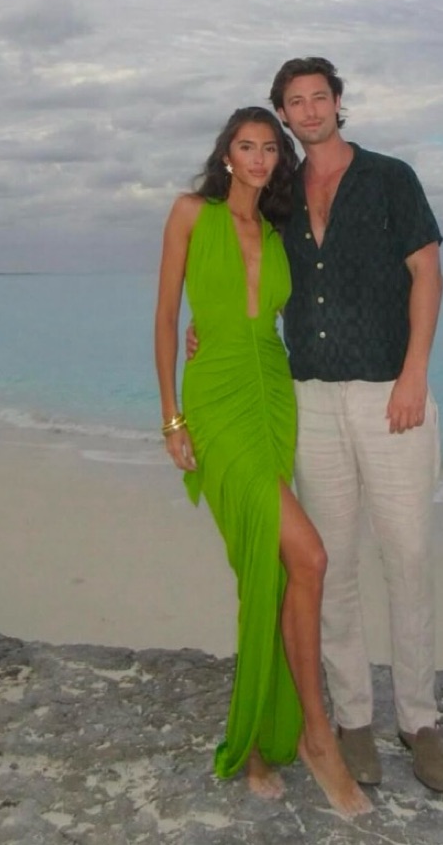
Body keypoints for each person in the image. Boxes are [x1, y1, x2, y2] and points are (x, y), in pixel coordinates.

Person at [154, 106, 372, 818]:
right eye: (246, 146)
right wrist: (172, 416)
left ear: (279, 160)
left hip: (274, 396)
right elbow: (166, 318)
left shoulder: (278, 232)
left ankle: (259, 739)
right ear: (226, 154)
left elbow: (303, 308)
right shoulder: (191, 214)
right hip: (216, 403)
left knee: (270, 566)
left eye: (269, 149)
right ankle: (315, 735)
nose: (257, 158)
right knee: (308, 555)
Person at [268, 57, 443, 793]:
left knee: (408, 556)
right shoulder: (280, 195)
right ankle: (353, 717)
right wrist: (205, 332)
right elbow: (253, 278)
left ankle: (419, 719)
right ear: (284, 114)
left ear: (339, 103)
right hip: (310, 399)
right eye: (296, 101)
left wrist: (414, 374)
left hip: (389, 392)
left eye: (320, 97)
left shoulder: (390, 178)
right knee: (331, 564)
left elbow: (427, 273)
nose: (310, 110)